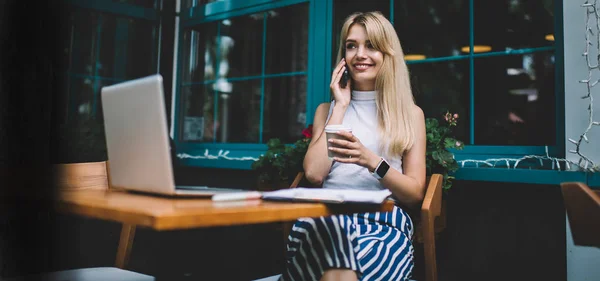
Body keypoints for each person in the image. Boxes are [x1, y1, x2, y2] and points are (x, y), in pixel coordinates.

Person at [281, 11, 426, 281]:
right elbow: (314, 173)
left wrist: (372, 161)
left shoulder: (410, 114)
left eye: (371, 45)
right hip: (325, 219)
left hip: (383, 223)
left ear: (387, 54)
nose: (360, 54)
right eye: (351, 45)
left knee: (343, 272)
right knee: (335, 259)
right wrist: (341, 106)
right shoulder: (327, 110)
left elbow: (415, 194)